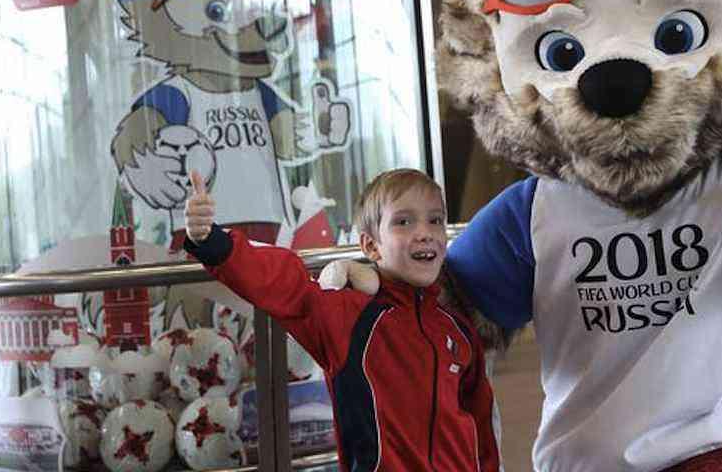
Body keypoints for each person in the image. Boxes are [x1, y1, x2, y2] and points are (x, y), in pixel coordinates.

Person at [184, 168, 500, 471]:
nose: (425, 233)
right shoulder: (348, 317)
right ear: (371, 246)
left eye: (435, 220)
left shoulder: (457, 329)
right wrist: (212, 241)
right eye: (403, 222)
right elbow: (284, 282)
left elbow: (480, 427)